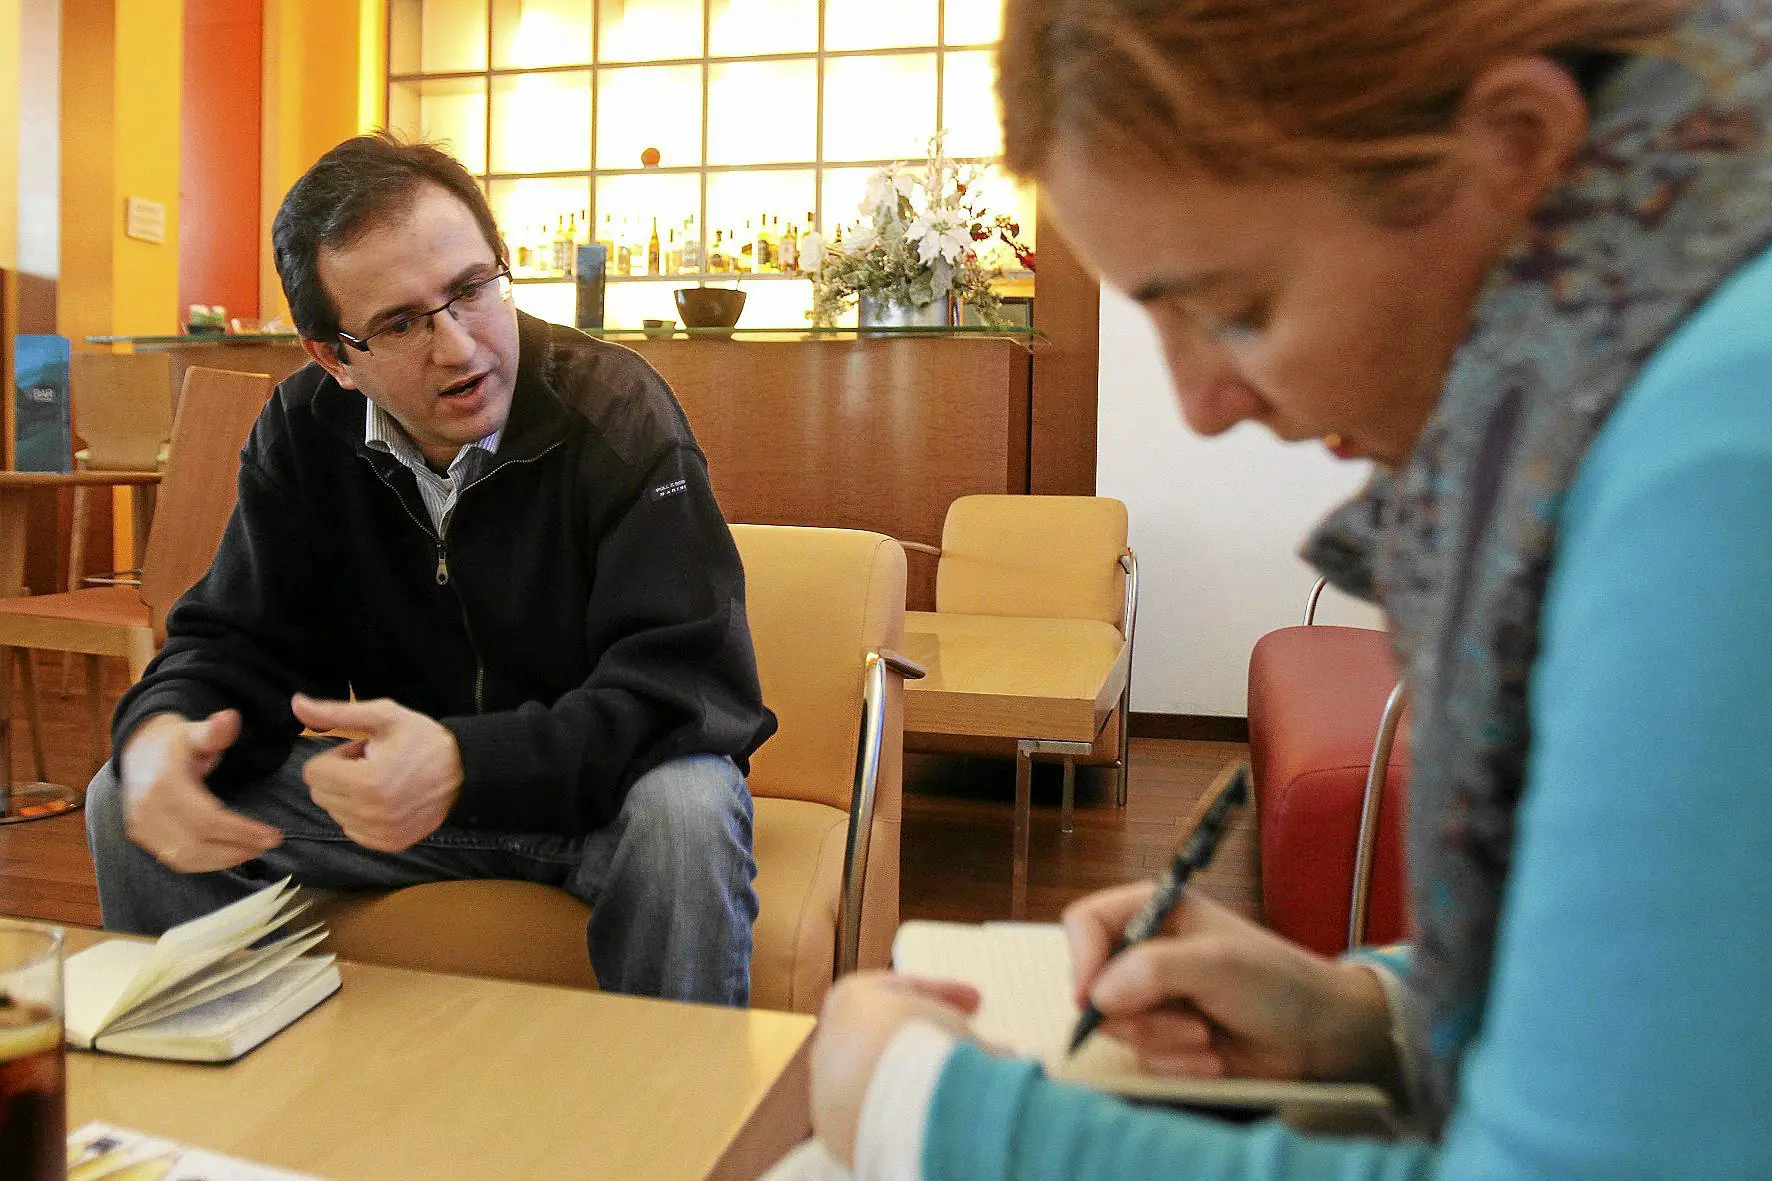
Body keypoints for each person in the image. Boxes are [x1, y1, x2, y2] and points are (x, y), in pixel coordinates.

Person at [803, 0, 1772, 1174]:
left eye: (1235, 310)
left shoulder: (1717, 454)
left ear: (1513, 144)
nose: (1201, 407)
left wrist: (922, 1109)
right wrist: (1366, 1013)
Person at [84, 133, 778, 1006]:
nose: (458, 346)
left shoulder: (617, 409)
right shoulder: (303, 433)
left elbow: (690, 692)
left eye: (472, 289)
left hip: (596, 801)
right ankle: (235, 1073)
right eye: (401, 323)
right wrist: (161, 728)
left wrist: (464, 761)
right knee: (124, 794)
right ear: (333, 357)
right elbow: (237, 642)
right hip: (398, 808)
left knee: (688, 807)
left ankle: (680, 1092)